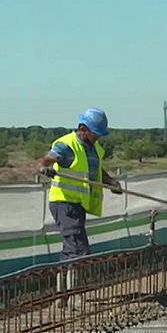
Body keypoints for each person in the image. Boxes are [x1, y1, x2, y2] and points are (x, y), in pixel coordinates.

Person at [35, 108, 122, 263]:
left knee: (73, 248)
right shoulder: (67, 145)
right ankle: (73, 285)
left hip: (78, 205)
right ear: (83, 129)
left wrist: (110, 182)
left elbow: (95, 169)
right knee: (78, 250)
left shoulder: (94, 149)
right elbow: (45, 160)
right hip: (64, 203)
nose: (98, 138)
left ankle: (64, 282)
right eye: (95, 134)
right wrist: (43, 168)